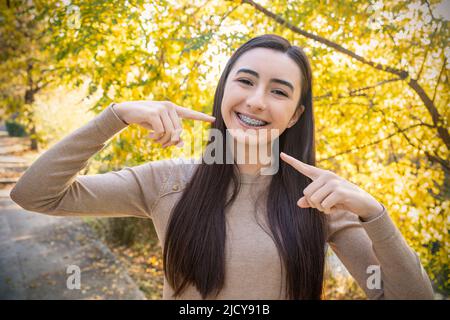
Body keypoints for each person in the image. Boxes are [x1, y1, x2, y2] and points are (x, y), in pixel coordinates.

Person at [10, 34, 434, 300]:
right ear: (224, 90)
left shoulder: (321, 199)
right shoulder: (166, 181)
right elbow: (35, 194)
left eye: (279, 91)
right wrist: (115, 115)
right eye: (245, 81)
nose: (256, 101)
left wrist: (374, 213)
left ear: (296, 115)